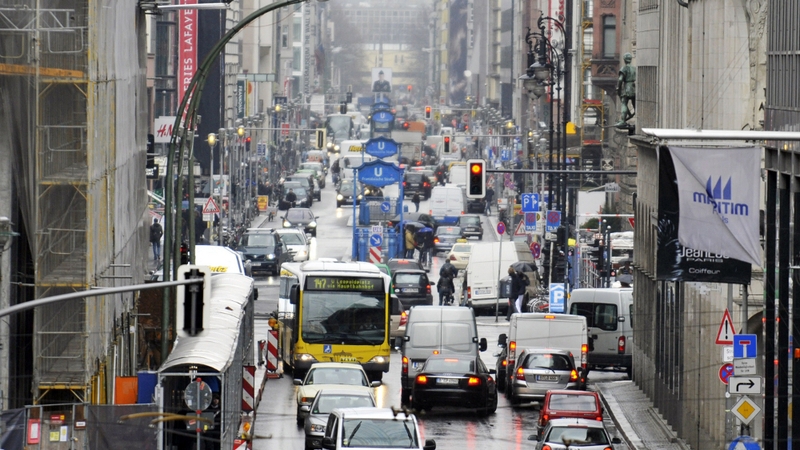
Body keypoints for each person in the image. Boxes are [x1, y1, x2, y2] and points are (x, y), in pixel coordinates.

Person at [616, 52, 636, 127]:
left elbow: (620, 79)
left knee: (624, 103)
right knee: (635, 105)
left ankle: (622, 121)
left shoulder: (624, 68)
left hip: (627, 87)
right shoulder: (634, 68)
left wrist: (618, 88)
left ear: (624, 60)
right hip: (633, 87)